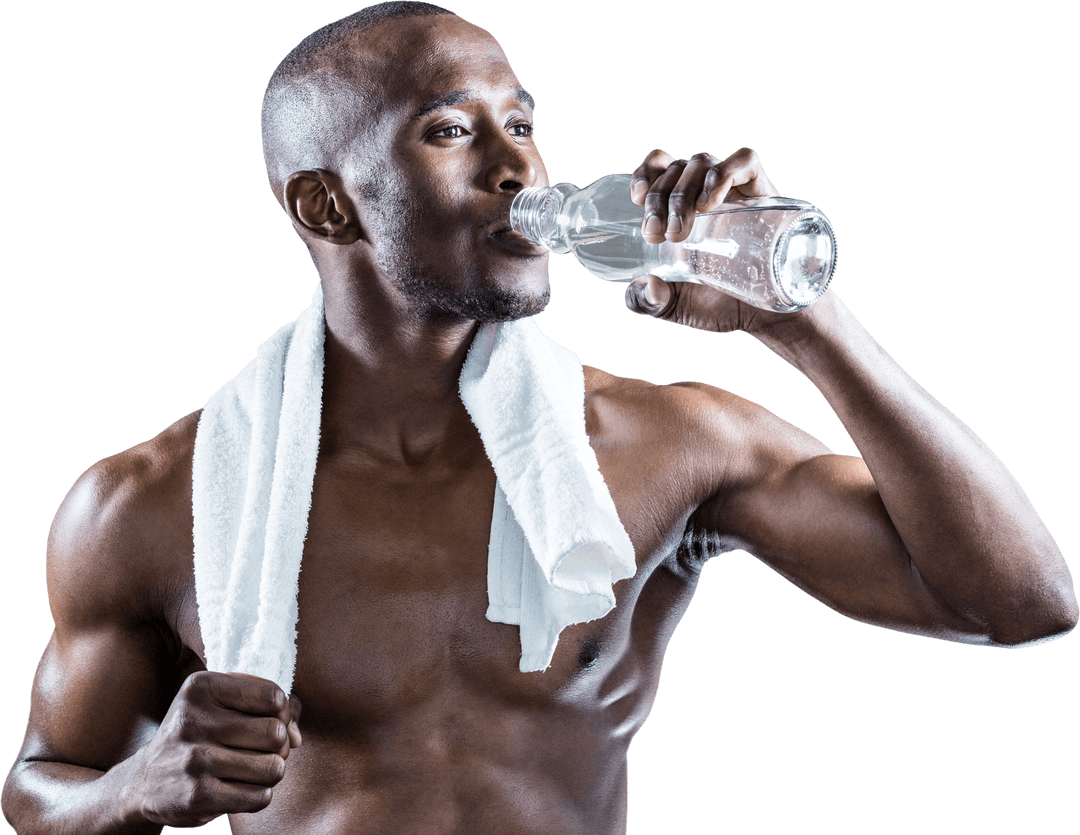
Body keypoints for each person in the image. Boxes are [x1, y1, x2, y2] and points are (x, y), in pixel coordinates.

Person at [2, 3, 1076, 834]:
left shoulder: (663, 444)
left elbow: (1023, 599)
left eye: (521, 123)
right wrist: (131, 789)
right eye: (450, 132)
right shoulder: (151, 503)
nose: (516, 168)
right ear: (327, 206)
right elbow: (39, 788)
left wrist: (803, 321)